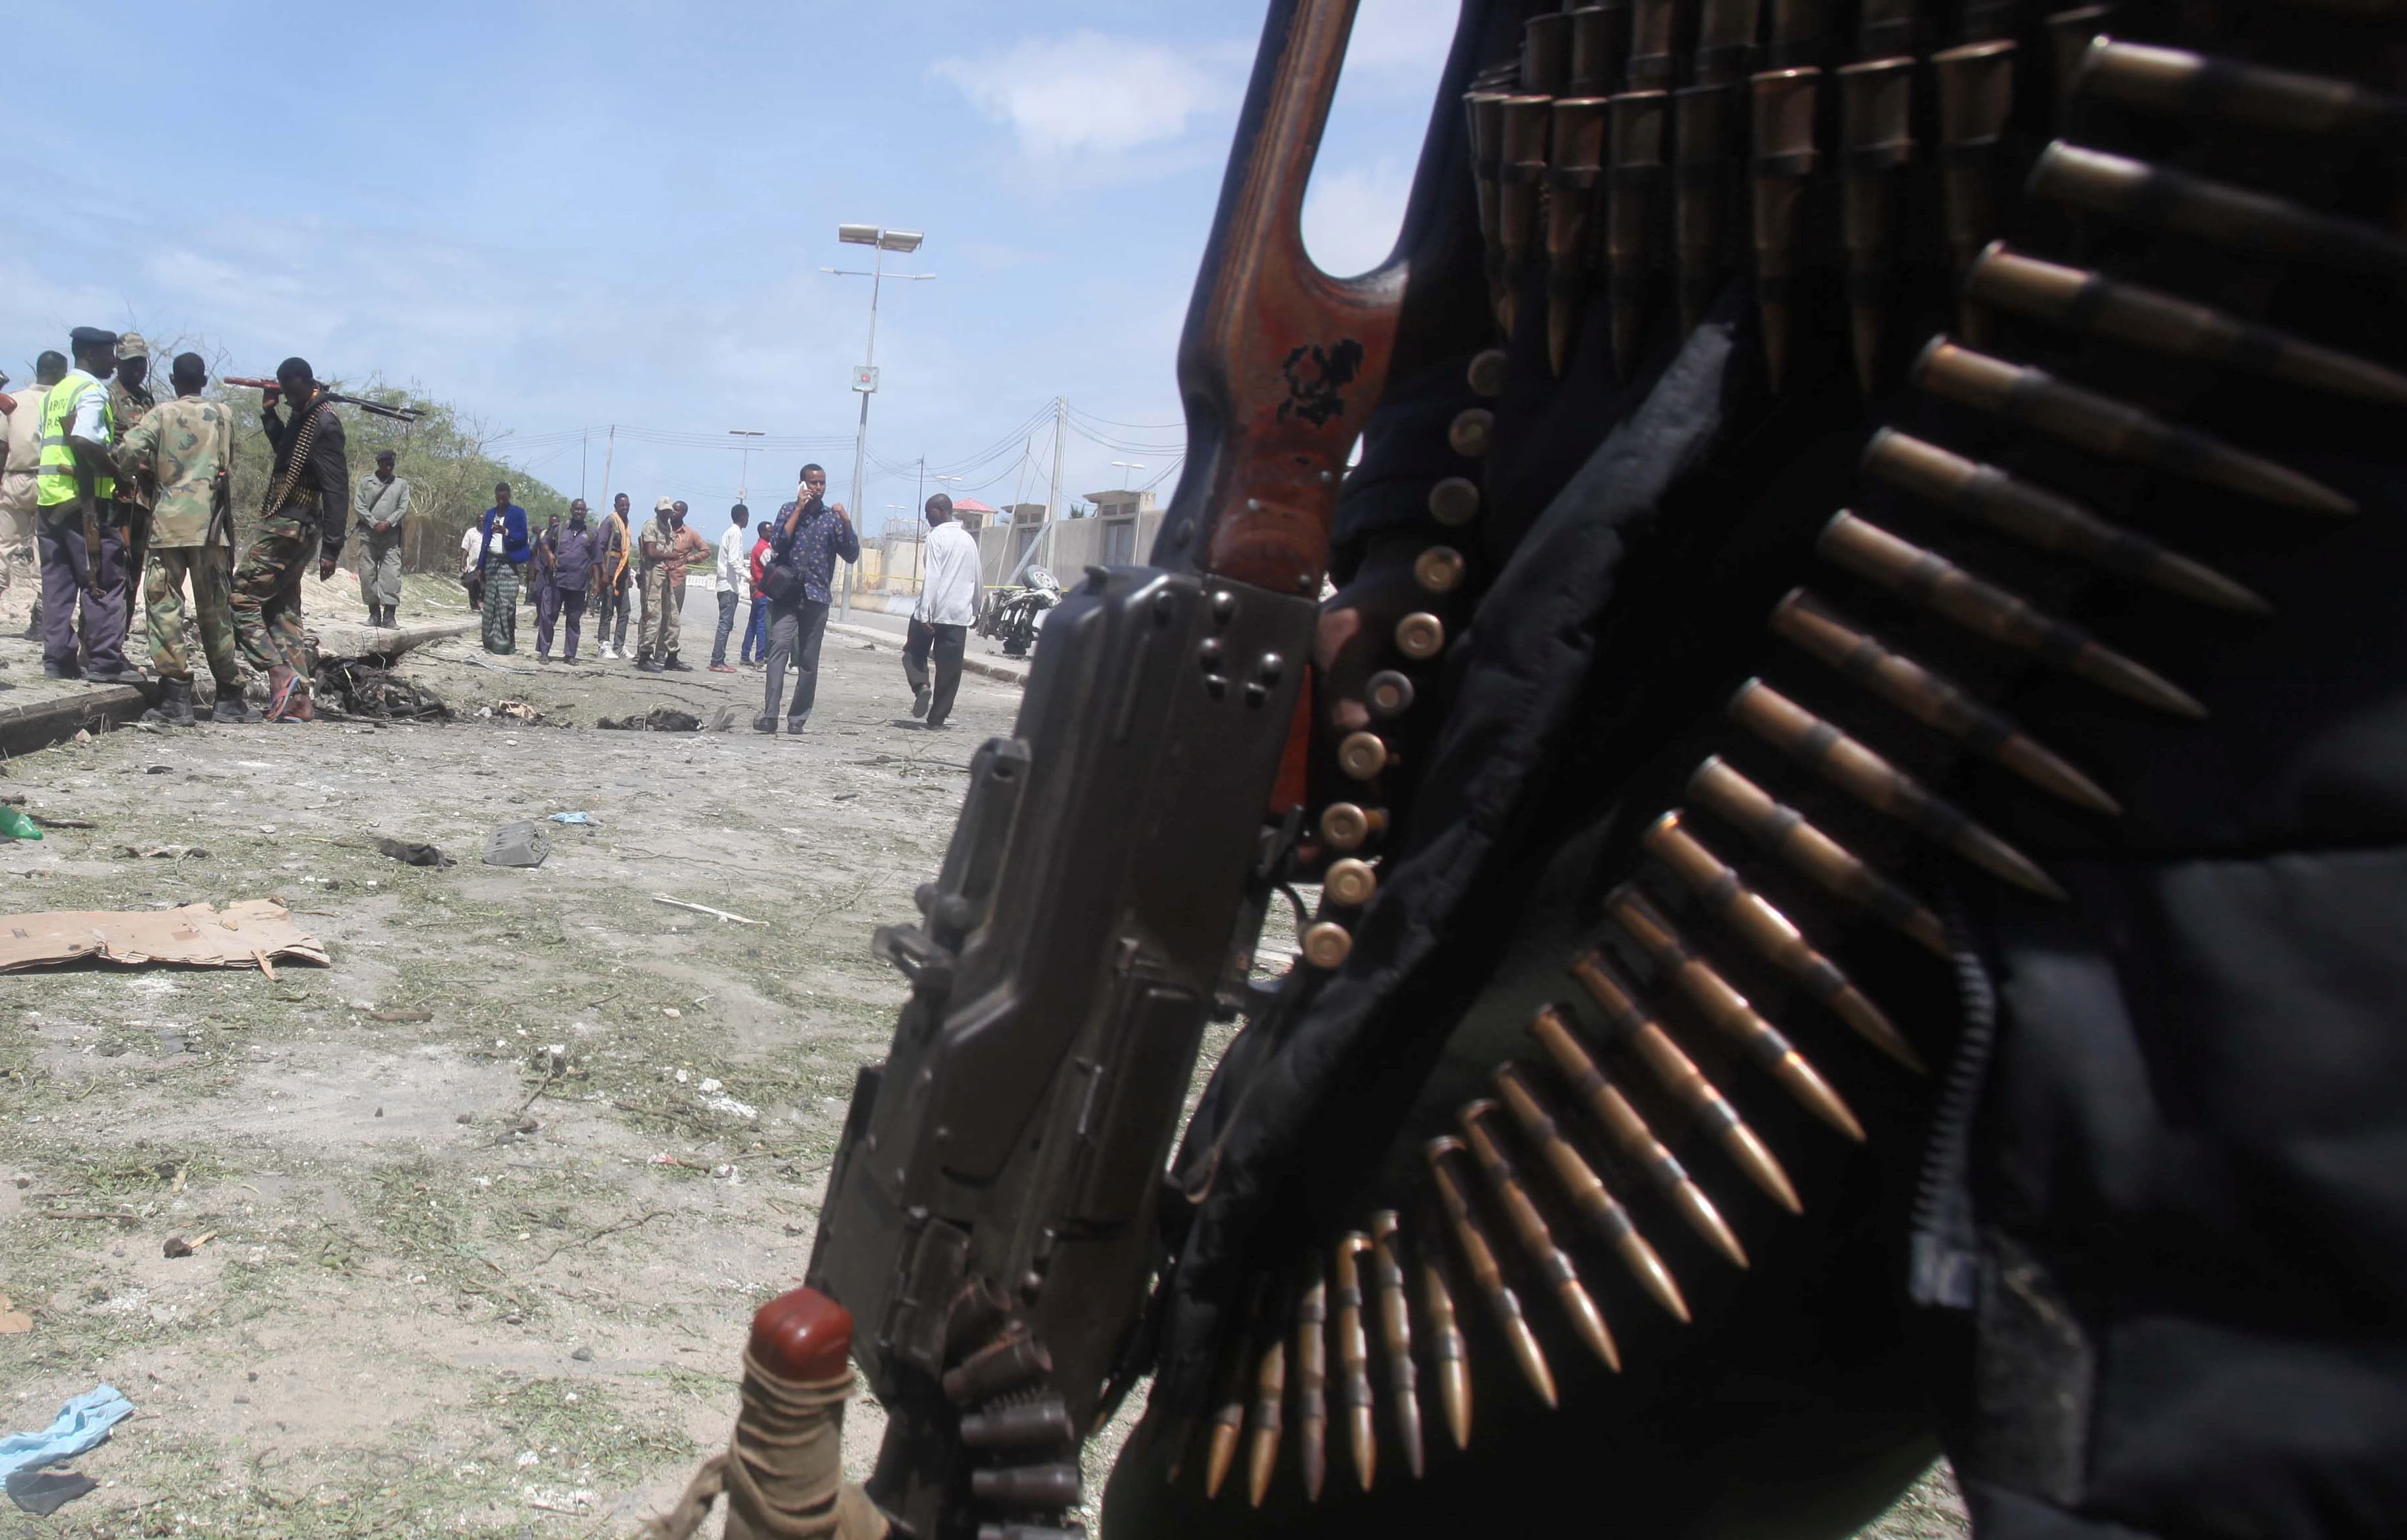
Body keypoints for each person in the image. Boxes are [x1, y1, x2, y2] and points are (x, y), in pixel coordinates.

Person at [112, 351, 254, 725]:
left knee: (164, 609)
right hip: (211, 526)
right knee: (216, 612)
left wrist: (136, 469)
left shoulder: (160, 414)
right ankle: (229, 696)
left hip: (168, 526)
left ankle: (176, 698)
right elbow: (228, 460)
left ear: (174, 381)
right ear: (203, 381)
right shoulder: (223, 415)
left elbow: (128, 451)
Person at [231, 355, 348, 721]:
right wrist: (270, 415)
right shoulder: (304, 415)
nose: (287, 397)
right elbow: (288, 457)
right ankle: (299, 702)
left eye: (289, 391)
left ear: (304, 382)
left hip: (290, 527)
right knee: (282, 612)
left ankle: (280, 675)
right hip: (290, 523)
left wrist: (332, 548)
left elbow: (336, 489)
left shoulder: (325, 422)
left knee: (240, 599)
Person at [34, 327, 140, 683]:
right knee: (104, 579)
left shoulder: (57, 391)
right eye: (111, 354)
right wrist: (118, 474)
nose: (114, 361)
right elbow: (84, 439)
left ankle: (58, 659)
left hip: (49, 498)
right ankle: (105, 661)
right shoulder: (91, 389)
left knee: (58, 582)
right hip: (85, 501)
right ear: (92, 355)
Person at [756, 463, 857, 734]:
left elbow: (851, 554)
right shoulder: (789, 510)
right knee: (779, 649)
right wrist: (799, 509)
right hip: (787, 595)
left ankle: (797, 718)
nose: (818, 488)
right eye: (813, 483)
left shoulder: (832, 519)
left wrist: (847, 521)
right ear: (802, 484)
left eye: (822, 483)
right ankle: (770, 715)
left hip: (817, 596)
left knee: (809, 660)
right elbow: (777, 543)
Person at [0, 351, 65, 639]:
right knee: (47, 555)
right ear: (62, 373)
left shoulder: (14, 402)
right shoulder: (65, 402)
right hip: (53, 482)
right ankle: (42, 620)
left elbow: (2, 446)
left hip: (16, 478)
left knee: (3, 548)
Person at [904, 491, 979, 729]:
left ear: (940, 511)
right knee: (950, 669)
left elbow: (933, 575)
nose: (927, 518)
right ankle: (937, 718)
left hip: (933, 612)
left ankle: (921, 686)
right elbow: (978, 576)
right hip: (958, 614)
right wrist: (976, 609)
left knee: (913, 653)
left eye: (929, 513)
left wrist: (926, 611)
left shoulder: (936, 537)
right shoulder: (968, 540)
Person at [106, 334, 156, 659]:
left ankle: (118, 643)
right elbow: (101, 444)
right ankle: (100, 644)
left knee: (134, 573)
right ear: (118, 363)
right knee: (110, 572)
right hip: (117, 497)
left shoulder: (147, 400)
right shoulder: (108, 396)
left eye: (141, 362)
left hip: (144, 500)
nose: (138, 368)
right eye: (131, 362)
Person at [635, 495, 709, 671]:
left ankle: (671, 656)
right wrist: (672, 557)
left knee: (672, 617)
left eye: (670, 511)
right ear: (657, 511)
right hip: (654, 572)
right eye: (666, 511)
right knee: (653, 615)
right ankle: (645, 655)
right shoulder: (651, 526)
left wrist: (683, 560)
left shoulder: (670, 528)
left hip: (669, 574)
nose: (669, 514)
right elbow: (651, 552)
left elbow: (704, 550)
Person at [353, 448, 410, 627]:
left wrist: (388, 522)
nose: (388, 467)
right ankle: (374, 615)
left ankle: (390, 617)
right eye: (385, 464)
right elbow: (359, 505)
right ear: (378, 463)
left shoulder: (401, 484)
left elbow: (403, 507)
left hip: (391, 536)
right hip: (369, 535)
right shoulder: (365, 481)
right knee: (367, 574)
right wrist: (373, 522)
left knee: (392, 574)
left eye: (391, 464)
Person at [475, 482, 530, 654]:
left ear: (509, 496)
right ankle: (490, 642)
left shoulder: (518, 513)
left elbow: (523, 537)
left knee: (506, 605)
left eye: (504, 498)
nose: (501, 501)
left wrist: (506, 532)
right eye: (498, 498)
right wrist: (480, 566)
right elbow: (485, 542)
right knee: (490, 604)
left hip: (508, 562)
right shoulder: (491, 513)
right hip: (491, 562)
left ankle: (505, 644)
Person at [541, 499, 595, 663]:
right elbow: (544, 543)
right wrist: (550, 555)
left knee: (573, 620)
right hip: (558, 580)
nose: (579, 512)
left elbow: (597, 559)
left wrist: (597, 583)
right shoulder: (560, 529)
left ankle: (570, 655)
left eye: (582, 510)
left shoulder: (592, 533)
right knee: (549, 617)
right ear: (571, 510)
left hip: (579, 584)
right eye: (577, 509)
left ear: (586, 512)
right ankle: (544, 652)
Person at [710, 502, 751, 672]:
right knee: (725, 624)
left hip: (727, 585)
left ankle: (719, 659)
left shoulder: (730, 533)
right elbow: (734, 561)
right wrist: (749, 577)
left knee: (726, 624)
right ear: (743, 517)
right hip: (728, 586)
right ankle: (717, 660)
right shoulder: (735, 534)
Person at [592, 491, 633, 658]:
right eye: (622, 505)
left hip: (622, 573)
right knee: (607, 609)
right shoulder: (610, 522)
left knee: (624, 610)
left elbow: (626, 551)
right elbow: (599, 548)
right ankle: (604, 644)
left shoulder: (626, 523)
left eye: (627, 505)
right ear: (615, 506)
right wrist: (603, 573)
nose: (625, 508)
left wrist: (628, 574)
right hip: (609, 571)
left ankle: (619, 645)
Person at [530, 510, 561, 658]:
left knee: (550, 608)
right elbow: (535, 549)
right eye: (552, 521)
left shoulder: (560, 536)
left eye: (556, 521)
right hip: (540, 569)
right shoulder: (544, 535)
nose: (554, 523)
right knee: (538, 595)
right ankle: (539, 617)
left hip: (553, 574)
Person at [742, 517, 772, 666]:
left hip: (756, 591)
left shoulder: (757, 547)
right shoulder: (763, 548)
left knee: (753, 624)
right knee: (761, 625)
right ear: (762, 532)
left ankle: (745, 655)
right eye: (769, 531)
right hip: (763, 591)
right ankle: (760, 657)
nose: (772, 533)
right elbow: (772, 567)